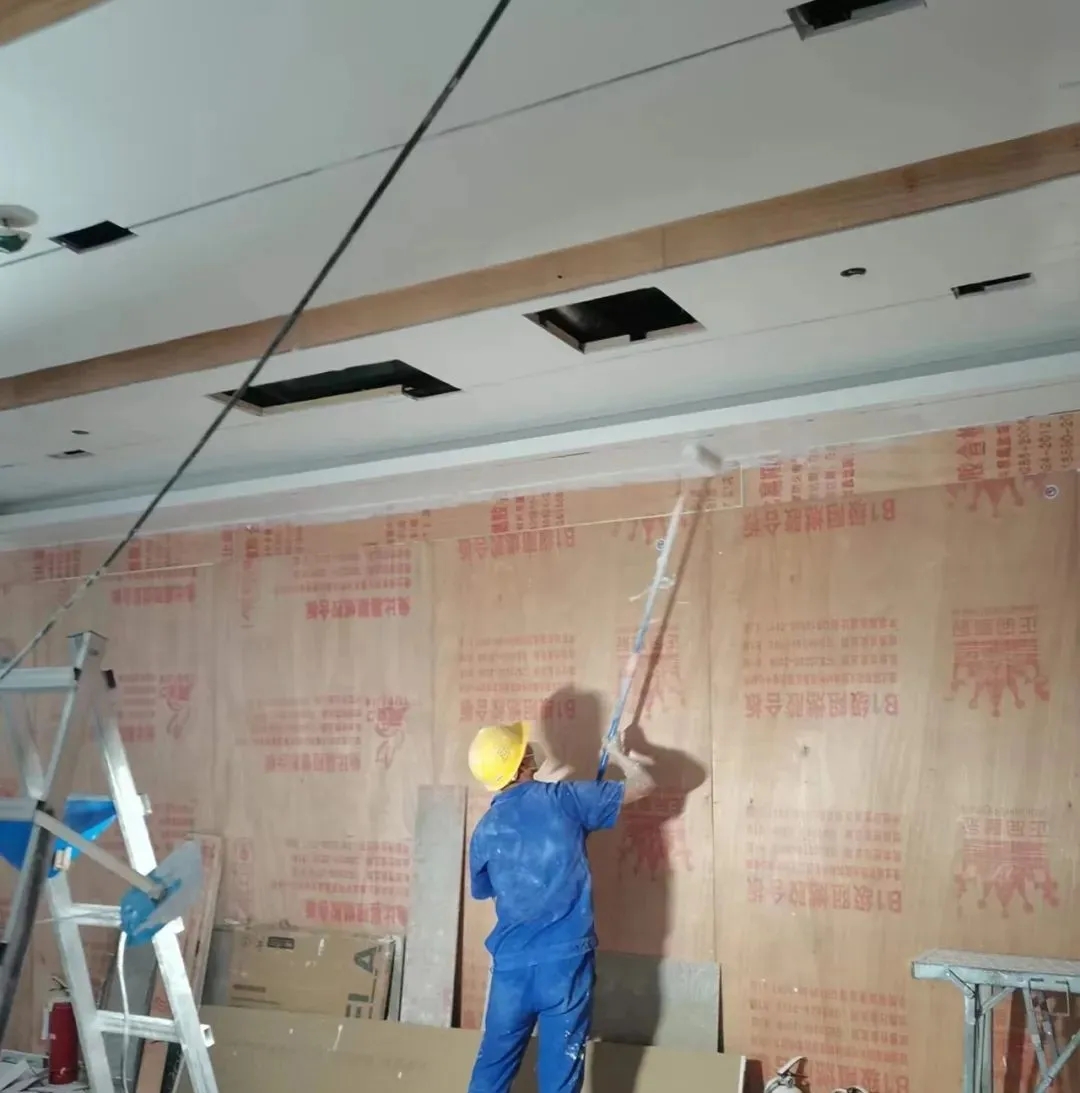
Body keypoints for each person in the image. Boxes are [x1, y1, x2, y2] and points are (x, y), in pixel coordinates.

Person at [465, 720, 656, 1093]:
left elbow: (484, 889)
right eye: (525, 750)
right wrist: (619, 754)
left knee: (492, 1070)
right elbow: (644, 784)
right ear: (522, 763)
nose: (531, 750)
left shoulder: (485, 830)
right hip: (564, 964)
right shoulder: (565, 800)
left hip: (511, 968)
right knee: (560, 1076)